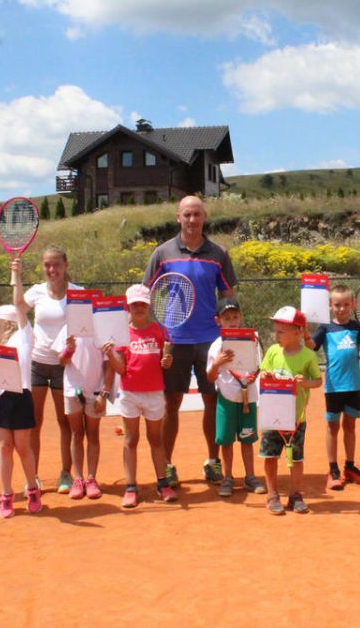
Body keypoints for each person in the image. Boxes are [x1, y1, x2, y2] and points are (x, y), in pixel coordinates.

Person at [143, 195, 238, 487]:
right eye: (187, 214)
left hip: (210, 340)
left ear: (204, 217)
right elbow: (145, 293)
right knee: (172, 402)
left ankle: (213, 461)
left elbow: (228, 296)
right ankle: (167, 465)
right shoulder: (162, 253)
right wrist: (152, 334)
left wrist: (231, 329)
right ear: (178, 217)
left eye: (197, 214)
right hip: (175, 340)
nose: (192, 220)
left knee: (213, 401)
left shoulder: (219, 253)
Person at [13, 245, 83, 493]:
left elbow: (87, 328)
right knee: (34, 422)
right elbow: (19, 307)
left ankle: (66, 473)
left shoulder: (78, 293)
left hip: (67, 367)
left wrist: (73, 348)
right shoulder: (37, 292)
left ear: (65, 265)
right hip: (37, 364)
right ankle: (34, 477)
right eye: (47, 265)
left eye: (56, 265)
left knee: (65, 423)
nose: (51, 269)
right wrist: (17, 276)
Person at [106, 284, 175, 508]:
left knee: (156, 440)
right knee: (131, 440)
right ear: (128, 306)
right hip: (130, 394)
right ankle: (131, 486)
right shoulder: (122, 333)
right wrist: (109, 354)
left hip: (154, 393)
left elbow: (165, 361)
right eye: (134, 304)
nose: (138, 308)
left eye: (142, 304)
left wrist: (167, 361)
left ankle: (163, 483)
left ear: (148, 306)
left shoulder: (158, 331)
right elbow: (121, 369)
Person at [0, 287, 42, 517]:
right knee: (5, 447)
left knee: (23, 448)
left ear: (8, 323)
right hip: (1, 399)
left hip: (22, 397)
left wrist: (16, 276)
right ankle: (6, 495)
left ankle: (33, 490)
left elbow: (20, 307)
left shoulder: (23, 337)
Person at [305, 284, 360, 490]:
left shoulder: (356, 328)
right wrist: (305, 334)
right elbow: (311, 347)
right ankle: (333, 469)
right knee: (332, 427)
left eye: (346, 304)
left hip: (354, 386)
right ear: (330, 305)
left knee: (350, 427)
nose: (341, 309)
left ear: (352, 305)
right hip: (334, 387)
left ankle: (350, 467)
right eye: (337, 305)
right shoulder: (325, 328)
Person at [259, 306, 322, 515]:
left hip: (296, 418)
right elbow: (263, 374)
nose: (276, 335)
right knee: (270, 456)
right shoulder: (272, 352)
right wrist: (266, 376)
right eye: (275, 330)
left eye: (281, 332)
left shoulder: (308, 356)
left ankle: (296, 495)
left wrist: (306, 383)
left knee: (296, 459)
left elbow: (318, 381)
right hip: (272, 416)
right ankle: (272, 494)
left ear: (298, 331)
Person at [205, 297, 267, 497]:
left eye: (235, 316)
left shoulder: (253, 339)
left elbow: (261, 365)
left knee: (248, 440)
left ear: (241, 317)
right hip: (226, 399)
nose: (232, 321)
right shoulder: (216, 346)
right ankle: (228, 478)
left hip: (249, 398)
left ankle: (250, 477)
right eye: (227, 318)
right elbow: (210, 377)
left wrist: (255, 376)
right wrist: (217, 363)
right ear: (218, 321)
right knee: (226, 441)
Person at [53, 325, 108, 500]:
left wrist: (104, 392)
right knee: (77, 434)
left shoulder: (103, 328)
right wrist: (69, 350)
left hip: (96, 392)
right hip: (72, 390)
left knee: (93, 434)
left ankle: (91, 479)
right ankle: (78, 479)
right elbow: (61, 360)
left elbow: (108, 364)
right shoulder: (67, 328)